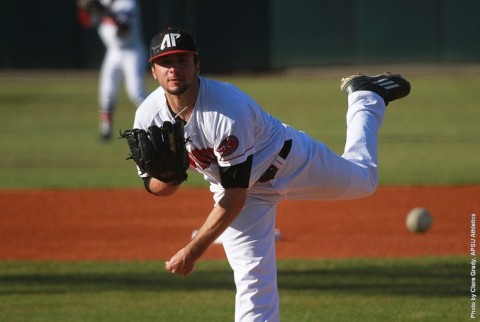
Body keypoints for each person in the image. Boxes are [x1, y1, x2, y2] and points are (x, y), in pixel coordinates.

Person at [131, 27, 411, 321]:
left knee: (365, 179)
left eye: (182, 60)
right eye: (165, 63)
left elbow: (236, 194)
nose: (174, 69)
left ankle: (366, 96)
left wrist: (193, 250)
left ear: (197, 64)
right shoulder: (147, 116)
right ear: (153, 71)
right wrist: (170, 177)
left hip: (290, 163)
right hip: (236, 191)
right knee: (253, 284)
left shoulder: (226, 109)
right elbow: (158, 187)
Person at [77, 0, 148, 140]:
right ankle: (106, 130)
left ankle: (156, 123)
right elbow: (87, 22)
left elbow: (124, 29)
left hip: (132, 51)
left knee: (136, 92)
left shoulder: (128, 3)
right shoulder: (102, 2)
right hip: (113, 52)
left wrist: (104, 11)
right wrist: (84, 8)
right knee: (107, 91)